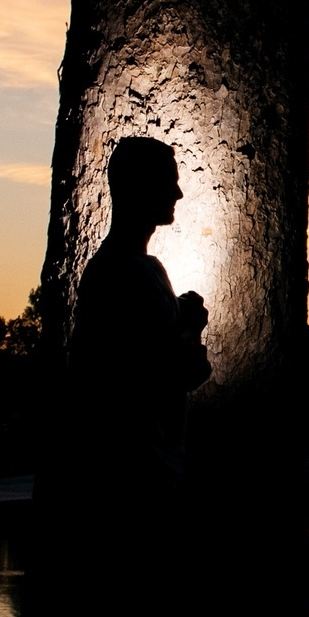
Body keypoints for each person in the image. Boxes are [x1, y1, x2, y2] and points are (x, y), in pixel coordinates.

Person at [67, 136, 212, 500]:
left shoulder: (133, 269)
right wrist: (190, 329)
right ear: (141, 188)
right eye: (168, 182)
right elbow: (176, 371)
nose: (178, 193)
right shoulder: (127, 273)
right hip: (138, 471)